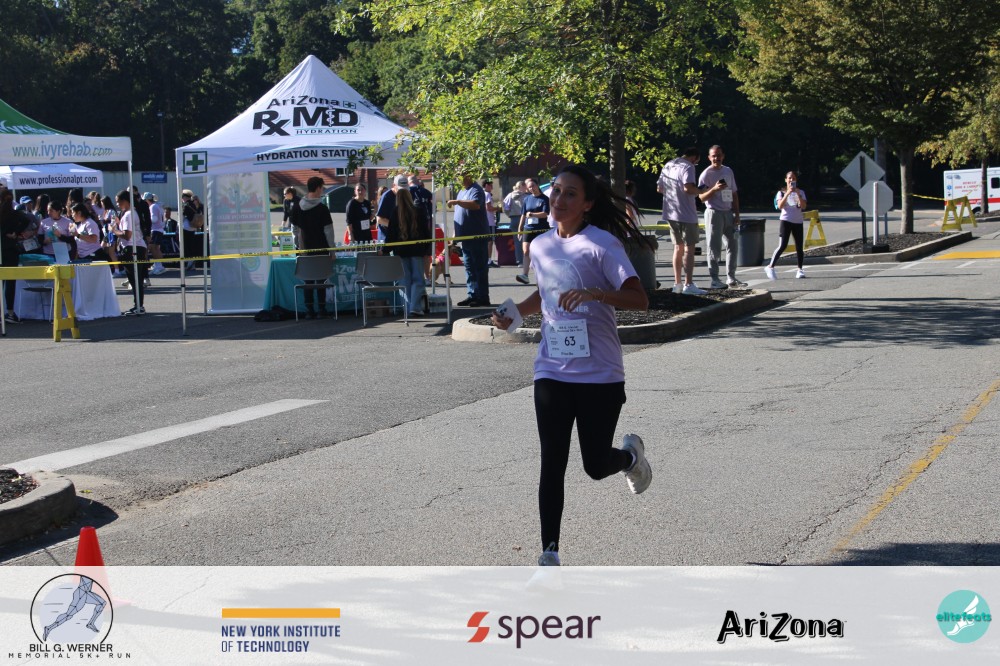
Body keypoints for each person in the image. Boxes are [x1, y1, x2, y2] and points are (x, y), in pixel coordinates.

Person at [491, 164, 653, 567]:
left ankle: (630, 459)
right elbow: (546, 294)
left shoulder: (602, 245)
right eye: (556, 191)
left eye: (570, 194)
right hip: (552, 369)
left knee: (595, 466)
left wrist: (597, 293)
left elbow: (639, 298)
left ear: (587, 204)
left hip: (600, 373)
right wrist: (514, 314)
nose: (559, 199)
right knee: (552, 461)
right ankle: (550, 551)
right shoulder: (541, 245)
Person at [657, 146, 706, 294]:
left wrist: (673, 193)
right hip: (686, 213)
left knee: (678, 248)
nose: (695, 164)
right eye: (696, 162)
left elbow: (659, 188)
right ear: (694, 158)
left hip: (671, 212)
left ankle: (677, 283)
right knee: (689, 249)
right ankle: (688, 284)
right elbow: (688, 188)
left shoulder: (669, 165)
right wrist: (701, 191)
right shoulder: (688, 166)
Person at [698, 145, 747, 289]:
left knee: (733, 245)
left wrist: (737, 214)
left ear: (723, 156)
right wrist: (714, 189)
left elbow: (734, 193)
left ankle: (731, 277)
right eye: (713, 156)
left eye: (718, 155)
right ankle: (715, 279)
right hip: (713, 213)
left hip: (728, 212)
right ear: (709, 158)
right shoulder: (706, 174)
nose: (716, 158)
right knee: (714, 247)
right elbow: (701, 198)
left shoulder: (728, 171)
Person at [293, 176, 334, 318]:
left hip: (304, 249)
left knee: (307, 280)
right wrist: (332, 249)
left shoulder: (297, 207)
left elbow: (294, 229)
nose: (322, 191)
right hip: (321, 249)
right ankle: (322, 309)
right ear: (317, 188)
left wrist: (297, 245)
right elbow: (328, 231)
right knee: (321, 279)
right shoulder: (322, 209)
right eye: (322, 188)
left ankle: (309, 310)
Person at [386, 187, 431, 316]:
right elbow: (426, 232)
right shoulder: (418, 211)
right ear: (410, 197)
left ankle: (407, 308)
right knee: (418, 280)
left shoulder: (395, 212)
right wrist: (426, 249)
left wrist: (385, 249)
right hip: (417, 251)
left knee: (404, 281)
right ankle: (415, 307)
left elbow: (391, 235)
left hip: (401, 252)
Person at [448, 175, 490, 306]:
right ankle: (472, 295)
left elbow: (476, 205)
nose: (458, 178)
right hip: (465, 237)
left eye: (460, 176)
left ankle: (483, 297)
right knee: (469, 268)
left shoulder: (476, 189)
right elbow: (458, 214)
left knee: (479, 268)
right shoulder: (462, 191)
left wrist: (457, 202)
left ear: (469, 176)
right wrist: (455, 234)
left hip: (477, 236)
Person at [765, 171, 808, 280]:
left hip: (798, 221)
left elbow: (803, 206)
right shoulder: (781, 192)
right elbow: (780, 206)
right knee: (783, 245)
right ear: (786, 180)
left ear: (796, 180)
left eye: (793, 178)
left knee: (799, 247)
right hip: (786, 220)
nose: (791, 180)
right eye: (789, 178)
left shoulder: (801, 192)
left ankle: (800, 270)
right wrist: (788, 193)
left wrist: (798, 194)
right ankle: (770, 267)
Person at [113, 189, 147, 315]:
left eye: (118, 202)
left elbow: (127, 235)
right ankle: (138, 305)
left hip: (133, 248)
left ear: (125, 201)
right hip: (137, 247)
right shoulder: (131, 213)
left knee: (135, 279)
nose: (117, 204)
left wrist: (114, 230)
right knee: (135, 279)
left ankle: (138, 306)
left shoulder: (129, 214)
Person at [515, 178, 550, 285]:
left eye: (533, 186)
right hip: (528, 228)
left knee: (540, 252)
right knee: (526, 251)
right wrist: (520, 228)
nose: (531, 188)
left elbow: (545, 213)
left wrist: (533, 214)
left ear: (538, 185)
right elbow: (523, 214)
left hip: (540, 228)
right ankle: (525, 275)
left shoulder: (544, 199)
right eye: (529, 187)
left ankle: (542, 275)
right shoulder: (527, 199)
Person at [503, 180, 526, 266]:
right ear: (522, 186)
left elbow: (505, 207)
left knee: (517, 242)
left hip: (514, 219)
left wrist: (509, 215)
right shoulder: (526, 196)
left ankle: (519, 261)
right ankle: (526, 259)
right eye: (525, 186)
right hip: (524, 219)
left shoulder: (510, 195)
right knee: (526, 240)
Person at [482, 179, 499, 266]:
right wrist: (498, 208)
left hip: (484, 221)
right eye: (490, 186)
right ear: (486, 185)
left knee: (485, 241)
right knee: (490, 241)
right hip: (489, 221)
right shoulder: (487, 194)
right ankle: (488, 260)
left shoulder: (482, 194)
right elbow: (489, 208)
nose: (492, 188)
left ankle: (485, 259)